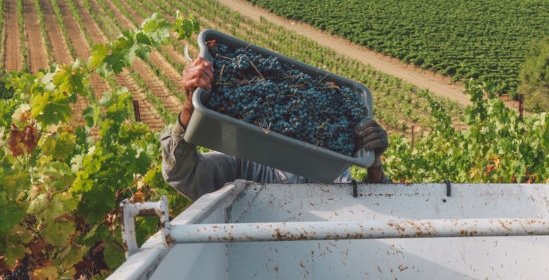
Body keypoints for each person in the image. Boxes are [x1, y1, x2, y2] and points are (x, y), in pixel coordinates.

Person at [160, 58, 390, 200]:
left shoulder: (330, 171)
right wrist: (190, 107)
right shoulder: (240, 162)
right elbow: (181, 174)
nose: (294, 124)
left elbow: (370, 207)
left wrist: (374, 165)